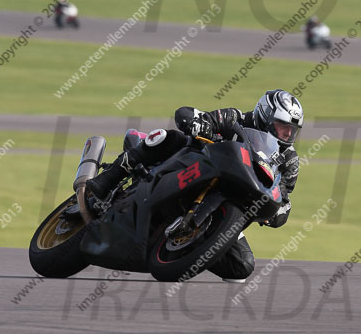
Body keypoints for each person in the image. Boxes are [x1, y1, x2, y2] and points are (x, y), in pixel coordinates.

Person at [86, 90, 304, 283]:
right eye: (282, 126)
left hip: (233, 202)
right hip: (198, 166)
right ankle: (108, 179)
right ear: (265, 117)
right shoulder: (237, 118)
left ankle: (193, 248)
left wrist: (278, 210)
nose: (287, 134)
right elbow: (190, 113)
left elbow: (283, 196)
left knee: (242, 267)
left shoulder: (290, 161)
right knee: (166, 137)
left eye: (292, 130)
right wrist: (199, 124)